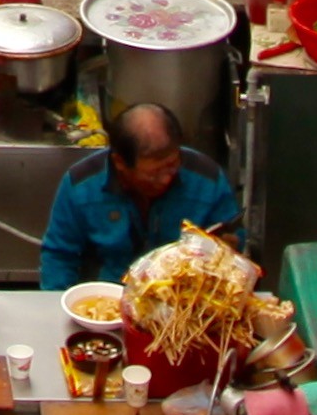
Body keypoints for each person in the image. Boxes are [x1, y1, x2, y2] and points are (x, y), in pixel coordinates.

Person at [37, 102, 244, 284]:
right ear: (120, 163)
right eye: (153, 174)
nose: (165, 179)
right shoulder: (80, 185)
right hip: (108, 298)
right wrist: (57, 308)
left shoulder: (208, 179)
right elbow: (59, 256)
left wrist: (230, 248)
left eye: (171, 165)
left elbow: (235, 243)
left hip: (183, 300)